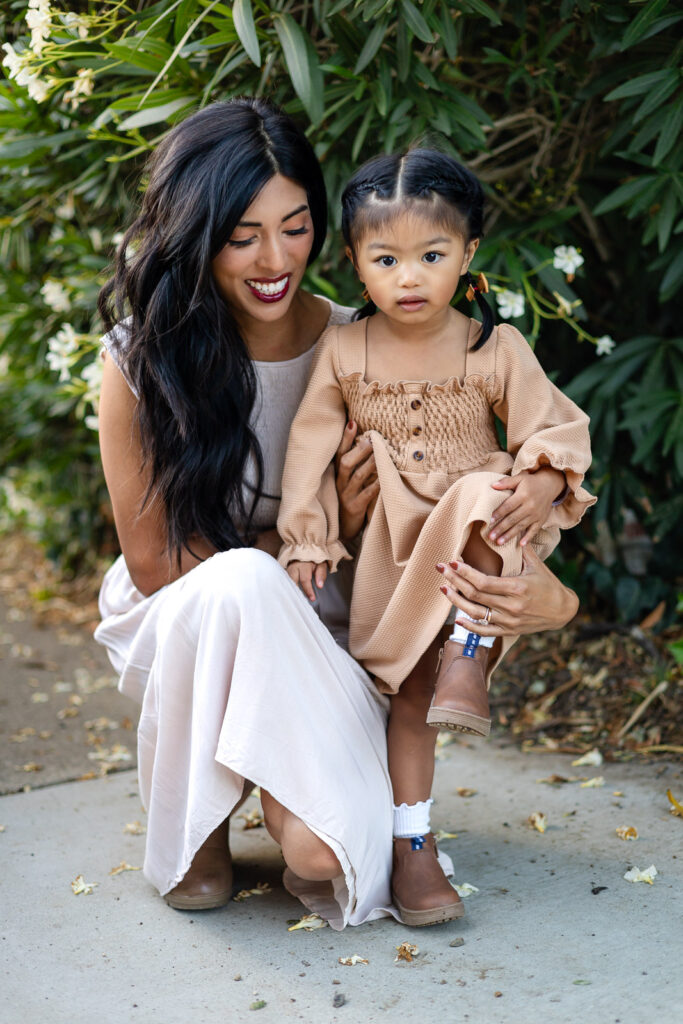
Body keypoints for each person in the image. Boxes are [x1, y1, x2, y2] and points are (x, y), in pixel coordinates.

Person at [94, 98, 582, 930]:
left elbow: (456, 507)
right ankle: (199, 815)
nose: (275, 258)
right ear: (194, 232)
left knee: (323, 859)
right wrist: (311, 530)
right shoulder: (145, 357)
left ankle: (308, 804)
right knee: (243, 580)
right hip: (190, 624)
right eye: (242, 235)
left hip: (332, 636)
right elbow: (154, 565)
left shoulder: (373, 342)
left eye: (296, 226)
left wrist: (546, 597)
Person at [277, 148, 596, 925]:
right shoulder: (344, 351)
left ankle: (466, 654)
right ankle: (409, 842)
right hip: (394, 549)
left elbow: (553, 429)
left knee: (489, 485)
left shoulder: (494, 347)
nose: (409, 277)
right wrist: (309, 536)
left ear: (468, 257)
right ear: (355, 264)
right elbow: (309, 449)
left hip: (479, 545)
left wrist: (547, 479)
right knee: (410, 702)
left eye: (431, 255)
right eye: (385, 259)